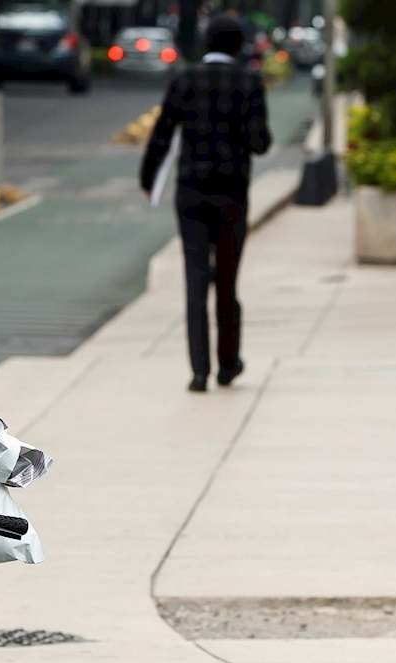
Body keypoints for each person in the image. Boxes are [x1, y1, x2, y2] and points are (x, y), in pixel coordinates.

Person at [140, 14, 271, 393]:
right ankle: (229, 362)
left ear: (206, 43)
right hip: (232, 194)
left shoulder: (185, 80)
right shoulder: (249, 82)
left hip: (191, 193)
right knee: (227, 279)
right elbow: (261, 142)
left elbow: (162, 134)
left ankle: (199, 371)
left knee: (195, 279)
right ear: (238, 45)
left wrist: (148, 180)